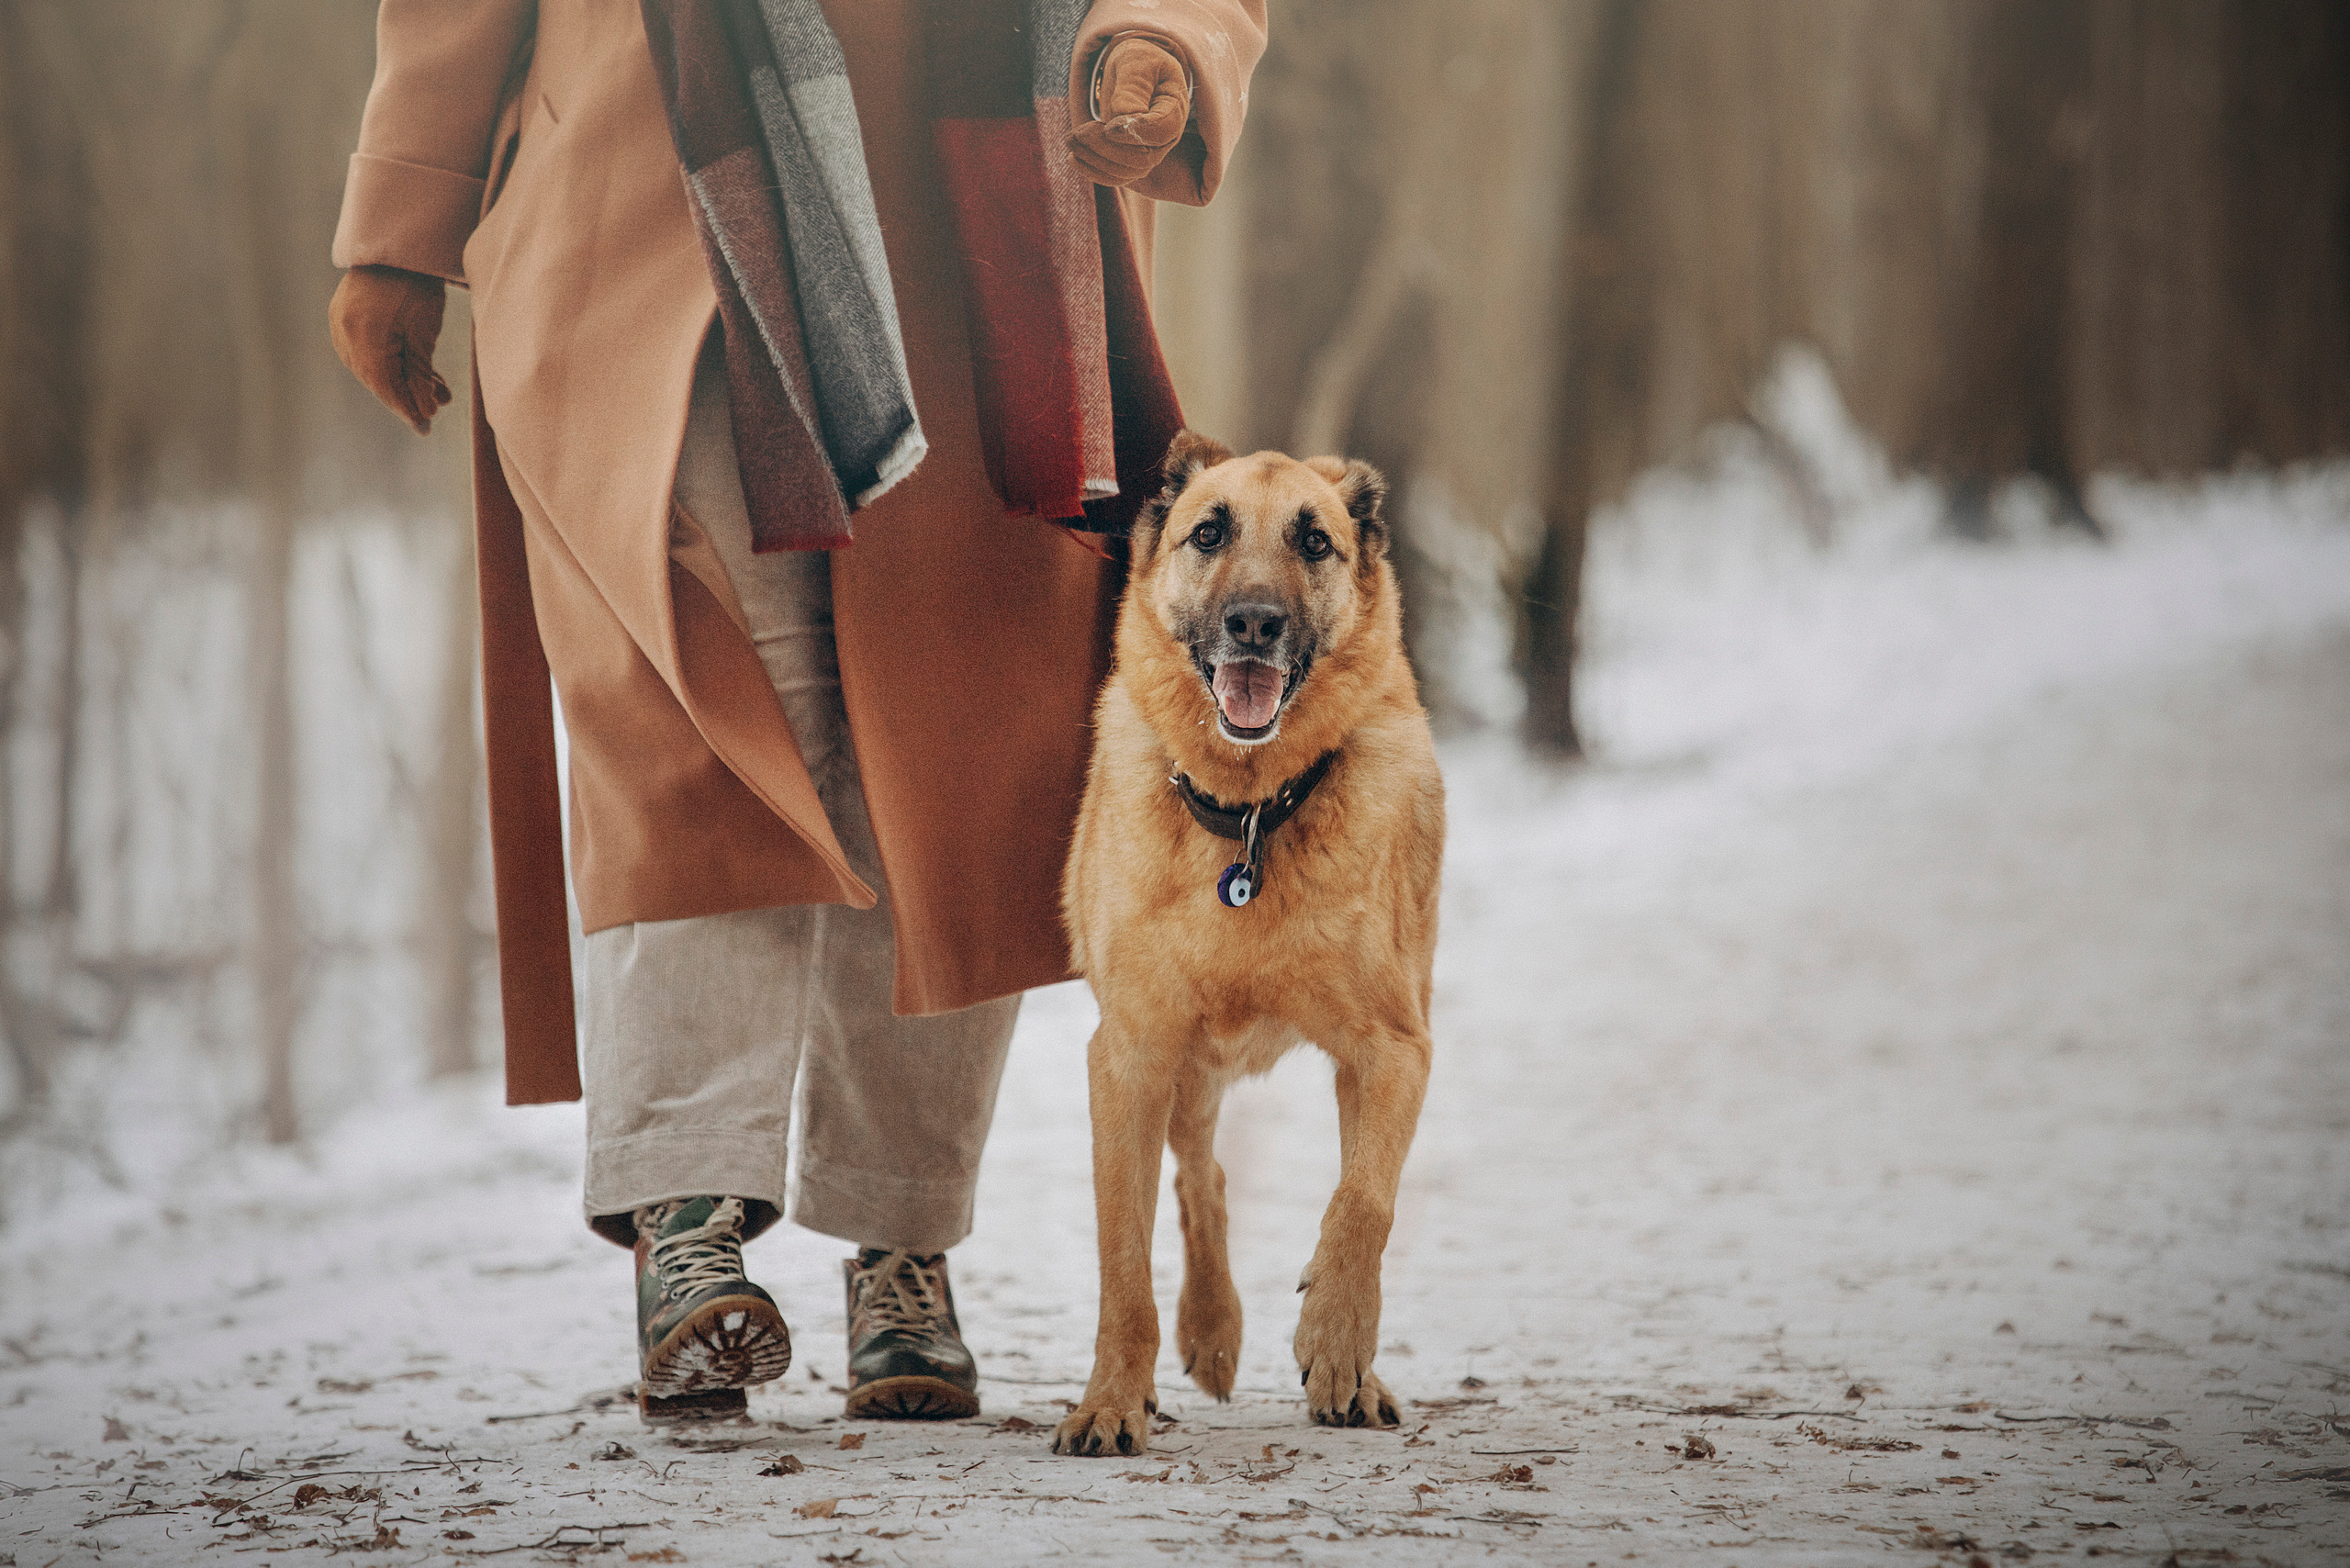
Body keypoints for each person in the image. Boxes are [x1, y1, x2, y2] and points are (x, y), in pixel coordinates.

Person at [327, 0, 1265, 1423]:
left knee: (955, 749)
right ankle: (688, 1216)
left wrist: (1167, 35)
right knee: (700, 707)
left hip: (981, 229)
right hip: (661, 207)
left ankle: (902, 1243)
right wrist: (402, 216)